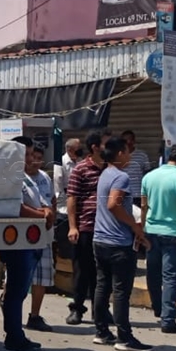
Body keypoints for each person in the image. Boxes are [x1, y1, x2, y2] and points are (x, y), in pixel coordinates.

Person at [92, 138, 152, 351]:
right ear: (119, 153)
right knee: (120, 292)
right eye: (127, 151)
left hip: (100, 239)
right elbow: (113, 204)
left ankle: (101, 332)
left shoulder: (105, 174)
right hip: (118, 243)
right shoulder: (121, 177)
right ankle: (124, 337)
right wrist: (134, 226)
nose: (130, 156)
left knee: (102, 286)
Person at [0, 137, 48, 351]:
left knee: (19, 291)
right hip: (17, 241)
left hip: (31, 240)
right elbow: (15, 207)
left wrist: (45, 211)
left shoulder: (25, 177)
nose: (29, 158)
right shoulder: (9, 177)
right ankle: (14, 338)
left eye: (30, 154)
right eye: (25, 154)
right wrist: (41, 215)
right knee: (16, 291)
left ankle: (16, 334)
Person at [140, 144, 176, 334]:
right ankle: (168, 319)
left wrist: (142, 228)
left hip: (151, 230)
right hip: (173, 232)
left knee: (153, 273)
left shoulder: (149, 176)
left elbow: (144, 205)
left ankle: (158, 308)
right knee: (170, 276)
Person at [64, 132, 109, 325]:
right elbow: (72, 198)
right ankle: (77, 309)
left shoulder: (110, 169)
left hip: (106, 229)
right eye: (106, 144)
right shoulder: (81, 169)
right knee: (82, 270)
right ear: (95, 147)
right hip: (86, 227)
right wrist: (73, 227)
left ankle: (100, 310)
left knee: (102, 273)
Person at [24, 142, 57, 332]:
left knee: (42, 277)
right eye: (31, 157)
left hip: (45, 235)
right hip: (24, 236)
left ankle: (34, 316)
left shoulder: (45, 177)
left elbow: (52, 199)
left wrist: (51, 214)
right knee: (19, 276)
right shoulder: (19, 179)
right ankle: (8, 305)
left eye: (38, 158)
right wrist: (41, 214)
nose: (34, 161)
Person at [119, 130, 152, 209]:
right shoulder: (118, 156)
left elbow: (148, 175)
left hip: (137, 195)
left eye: (130, 140)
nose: (128, 142)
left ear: (134, 141)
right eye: (125, 140)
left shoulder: (142, 156)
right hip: (123, 194)